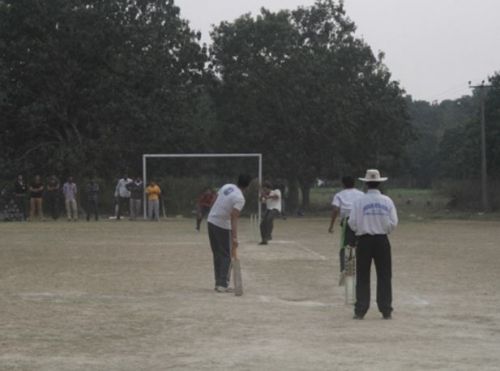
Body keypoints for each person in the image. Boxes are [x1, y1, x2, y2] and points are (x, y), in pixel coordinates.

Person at [348, 169, 398, 320]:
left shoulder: (359, 202)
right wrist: (383, 228)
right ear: (379, 184)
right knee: (384, 275)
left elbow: (352, 222)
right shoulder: (387, 201)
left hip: (364, 240)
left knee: (363, 275)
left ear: (366, 184)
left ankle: (361, 309)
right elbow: (393, 223)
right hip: (382, 240)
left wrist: (362, 229)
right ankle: (386, 309)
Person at [207, 174, 252, 293]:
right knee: (226, 255)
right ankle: (222, 284)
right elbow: (234, 217)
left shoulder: (227, 186)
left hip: (211, 221)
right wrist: (234, 237)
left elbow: (214, 199)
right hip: (222, 225)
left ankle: (218, 283)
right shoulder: (240, 198)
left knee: (217, 254)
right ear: (247, 186)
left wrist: (212, 213)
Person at [328, 176, 364, 284]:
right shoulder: (361, 194)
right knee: (359, 246)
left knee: (346, 247)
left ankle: (345, 271)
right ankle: (357, 272)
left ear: (343, 184)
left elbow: (335, 210)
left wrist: (331, 225)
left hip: (347, 221)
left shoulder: (339, 195)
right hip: (360, 221)